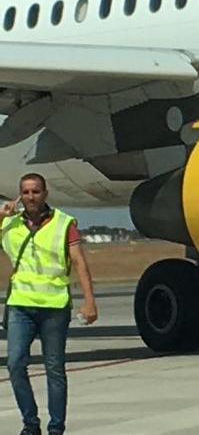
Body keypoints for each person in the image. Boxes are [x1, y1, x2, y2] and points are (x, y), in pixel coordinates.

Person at [1, 173, 98, 435]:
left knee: (54, 368)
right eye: (26, 192)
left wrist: (89, 301)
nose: (31, 197)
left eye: (35, 192)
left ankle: (56, 428)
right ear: (20, 195)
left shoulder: (64, 223)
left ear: (45, 194)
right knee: (15, 364)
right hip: (20, 304)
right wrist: (2, 215)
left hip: (54, 306)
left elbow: (79, 263)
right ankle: (30, 424)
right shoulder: (9, 224)